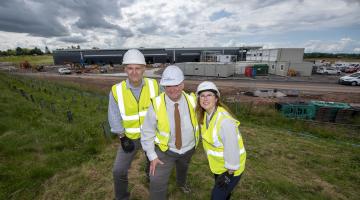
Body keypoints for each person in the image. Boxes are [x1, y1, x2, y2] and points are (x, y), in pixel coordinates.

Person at [141, 65, 199, 200]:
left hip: (188, 149)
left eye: (176, 84)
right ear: (164, 87)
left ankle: (181, 184)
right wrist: (152, 156)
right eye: (168, 86)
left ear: (183, 85)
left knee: (183, 169)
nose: (173, 89)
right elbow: (147, 132)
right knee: (156, 181)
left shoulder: (193, 101)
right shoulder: (156, 104)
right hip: (165, 151)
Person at [108, 49, 159, 200]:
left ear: (144, 69)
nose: (134, 72)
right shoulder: (116, 90)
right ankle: (122, 197)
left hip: (151, 136)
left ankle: (150, 176)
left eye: (138, 68)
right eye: (130, 68)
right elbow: (114, 115)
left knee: (154, 164)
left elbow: (164, 106)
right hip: (129, 139)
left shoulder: (154, 85)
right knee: (118, 171)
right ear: (125, 69)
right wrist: (122, 137)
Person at [195, 81, 246, 200]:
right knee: (224, 194)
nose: (205, 99)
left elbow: (232, 149)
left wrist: (228, 175)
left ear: (216, 99)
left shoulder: (225, 121)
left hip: (231, 169)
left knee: (216, 197)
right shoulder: (206, 115)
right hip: (218, 166)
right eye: (202, 96)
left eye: (209, 95)